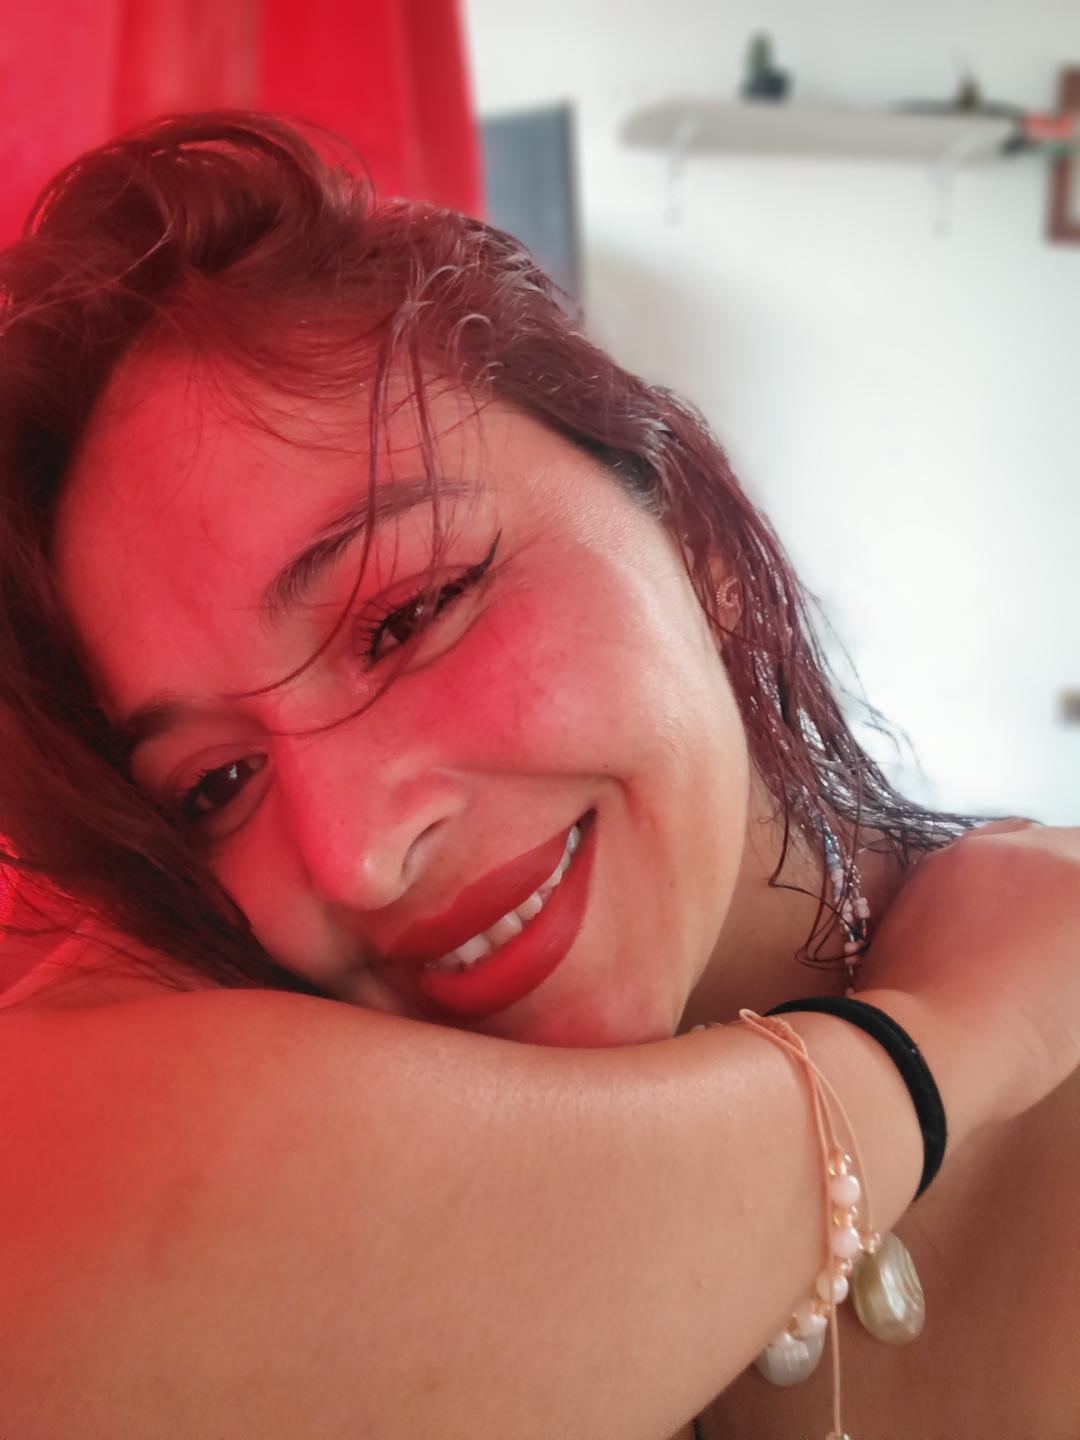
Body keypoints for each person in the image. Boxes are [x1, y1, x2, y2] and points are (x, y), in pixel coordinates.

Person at [0, 111, 1076, 1440]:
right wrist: (941, 1048)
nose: (355, 857)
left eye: (409, 613)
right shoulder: (245, 1124)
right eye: (214, 786)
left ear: (698, 547)